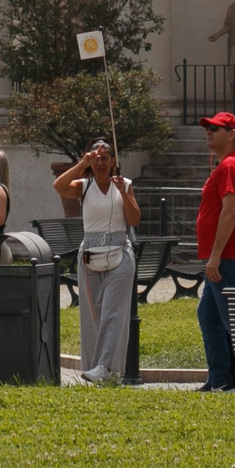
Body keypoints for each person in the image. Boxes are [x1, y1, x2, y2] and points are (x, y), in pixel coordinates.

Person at [53, 139, 141, 385]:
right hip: (90, 254)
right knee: (94, 315)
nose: (101, 163)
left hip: (119, 254)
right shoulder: (84, 185)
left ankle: (106, 366)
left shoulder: (125, 185)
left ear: (114, 161)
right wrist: (83, 163)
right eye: (96, 158)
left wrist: (124, 192)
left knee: (114, 314)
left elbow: (134, 219)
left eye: (105, 158)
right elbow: (59, 186)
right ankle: (100, 370)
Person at [192, 111, 235, 392]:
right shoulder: (226, 165)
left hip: (228, 258)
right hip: (222, 258)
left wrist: (216, 255)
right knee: (208, 315)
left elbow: (230, 211)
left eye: (215, 129)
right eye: (207, 128)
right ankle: (220, 379)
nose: (208, 131)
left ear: (232, 134)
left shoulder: (232, 166)